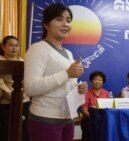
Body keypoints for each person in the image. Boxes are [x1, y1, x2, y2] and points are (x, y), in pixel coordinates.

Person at [24, 3, 87, 141]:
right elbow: (30, 88)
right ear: (46, 24)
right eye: (59, 19)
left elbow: (63, 85)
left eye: (68, 20)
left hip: (67, 117)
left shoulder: (68, 53)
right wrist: (67, 74)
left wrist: (78, 88)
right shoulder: (38, 48)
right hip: (44, 120)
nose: (65, 24)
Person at [0, 35, 30, 141]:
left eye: (16, 46)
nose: (14, 48)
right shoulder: (1, 60)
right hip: (6, 100)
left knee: (24, 131)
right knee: (6, 131)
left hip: (24, 99)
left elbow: (28, 80)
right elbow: (1, 83)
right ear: (3, 47)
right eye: (10, 45)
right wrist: (12, 95)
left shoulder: (23, 61)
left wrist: (24, 94)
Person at [81, 70, 111, 141]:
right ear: (91, 81)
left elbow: (110, 109)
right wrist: (95, 119)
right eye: (95, 79)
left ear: (103, 82)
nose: (98, 82)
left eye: (100, 80)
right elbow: (84, 110)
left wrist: (102, 120)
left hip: (104, 121)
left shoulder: (107, 93)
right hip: (89, 121)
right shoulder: (86, 93)